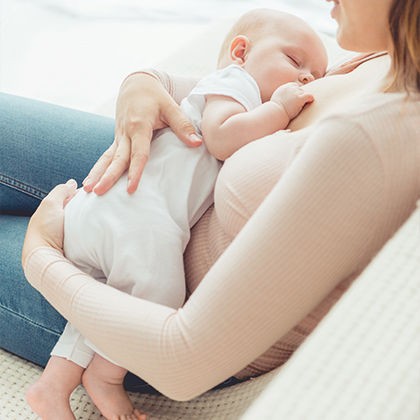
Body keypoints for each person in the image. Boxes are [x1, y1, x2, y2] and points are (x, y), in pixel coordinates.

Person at [0, 0, 418, 418]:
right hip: (152, 189)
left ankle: (88, 375)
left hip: (150, 300)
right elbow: (232, 87)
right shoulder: (382, 57)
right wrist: (146, 83)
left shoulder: (373, 137)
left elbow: (183, 357)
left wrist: (41, 254)